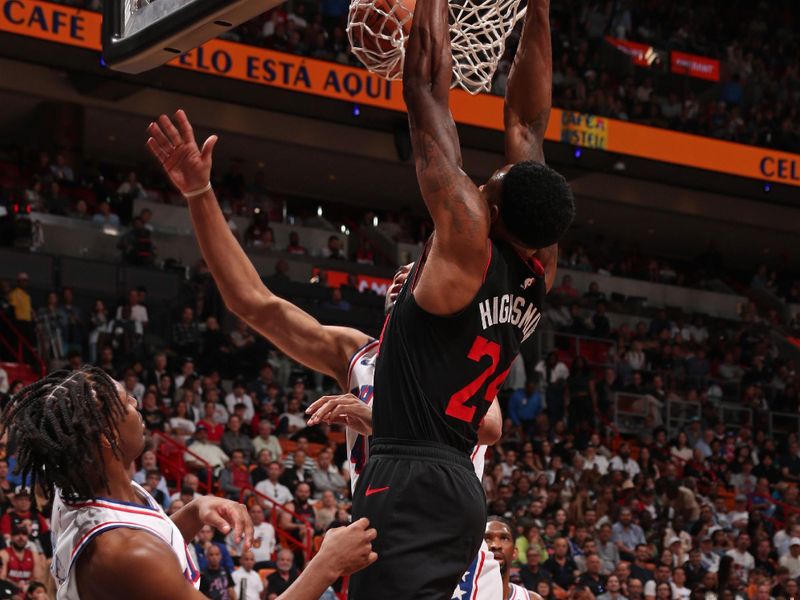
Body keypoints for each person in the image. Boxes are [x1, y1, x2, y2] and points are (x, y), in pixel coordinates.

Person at [147, 110, 504, 600]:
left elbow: (488, 427)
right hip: (382, 528)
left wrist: (380, 418)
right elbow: (253, 303)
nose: (405, 277)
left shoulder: (465, 347)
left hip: (446, 535)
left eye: (417, 273)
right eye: (401, 274)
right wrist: (197, 193)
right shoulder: (356, 353)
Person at [350, 0, 571, 589]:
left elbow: (424, 90)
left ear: (489, 211)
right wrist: (540, 13)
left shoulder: (469, 243)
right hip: (457, 482)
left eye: (485, 187)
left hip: (408, 472)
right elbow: (527, 123)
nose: (479, 181)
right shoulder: (539, 262)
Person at [1, 366, 378, 599]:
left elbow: (148, 554)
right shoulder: (122, 554)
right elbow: (140, 561)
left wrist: (194, 512)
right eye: (126, 403)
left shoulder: (78, 488)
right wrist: (325, 565)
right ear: (106, 437)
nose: (136, 402)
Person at [484, 516, 541, 600]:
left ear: (514, 552)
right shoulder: (461, 595)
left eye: (504, 538)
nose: (496, 545)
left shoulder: (532, 598)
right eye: (487, 539)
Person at [0, 526, 43, 591]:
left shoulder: (34, 555)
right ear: (11, 537)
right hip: (8, 590)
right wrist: (17, 585)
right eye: (17, 534)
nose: (21, 537)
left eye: (24, 534)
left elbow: (38, 579)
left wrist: (27, 586)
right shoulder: (3, 554)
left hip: (28, 590)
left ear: (27, 538)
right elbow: (2, 578)